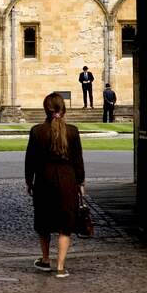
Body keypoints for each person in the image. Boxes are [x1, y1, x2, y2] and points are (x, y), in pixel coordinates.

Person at [25, 91, 85, 278]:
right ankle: (60, 266)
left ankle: (45, 259)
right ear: (63, 109)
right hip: (67, 179)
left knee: (44, 221)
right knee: (65, 224)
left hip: (44, 179)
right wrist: (81, 181)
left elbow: (30, 160)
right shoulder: (72, 131)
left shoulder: (37, 131)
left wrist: (29, 180)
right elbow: (78, 160)